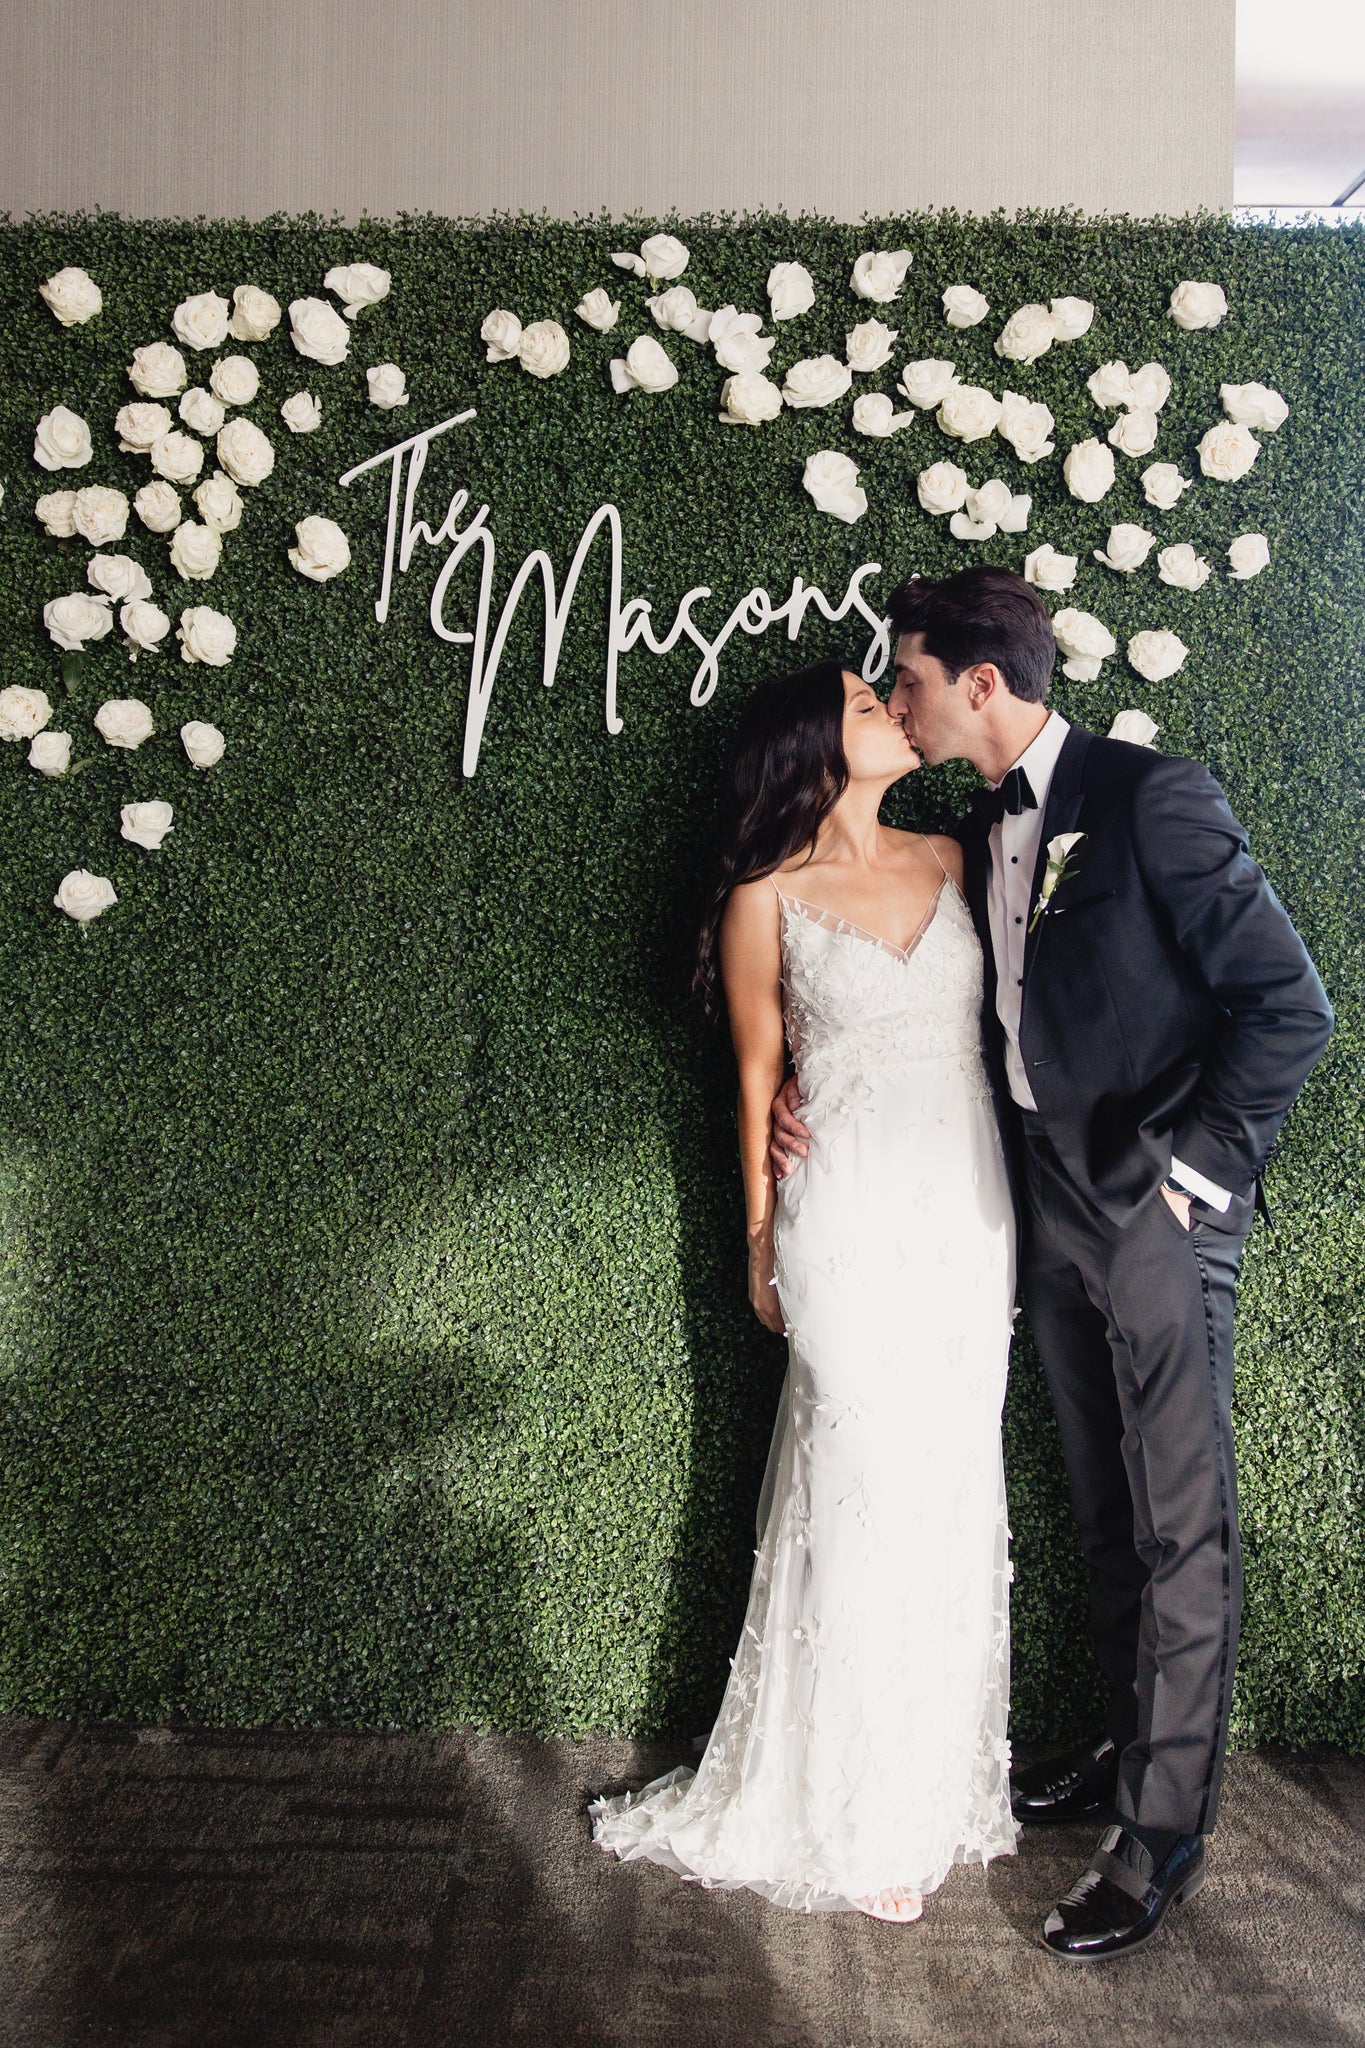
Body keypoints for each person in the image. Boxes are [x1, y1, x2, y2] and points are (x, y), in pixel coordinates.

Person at [773, 567, 1334, 1962]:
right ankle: (1106, 1743)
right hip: (1040, 1211)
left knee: (1176, 1531)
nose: (896, 700)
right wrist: (811, 1091)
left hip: (1154, 1217)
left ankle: (1156, 1847)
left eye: (904, 679)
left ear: (978, 684)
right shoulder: (970, 818)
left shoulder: (1155, 800)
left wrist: (1192, 1182)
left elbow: (1289, 1006)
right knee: (1100, 1505)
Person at [590, 656, 1019, 1921]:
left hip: (967, 1213)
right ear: (810, 746)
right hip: (842, 1217)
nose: (892, 707)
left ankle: (931, 1786)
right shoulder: (763, 893)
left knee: (946, 1487)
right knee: (858, 1482)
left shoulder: (953, 857)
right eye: (864, 701)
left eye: (890, 695)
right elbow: (754, 1072)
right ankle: (849, 1805)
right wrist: (761, 1241)